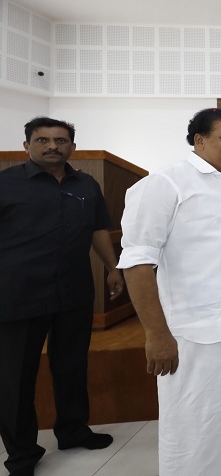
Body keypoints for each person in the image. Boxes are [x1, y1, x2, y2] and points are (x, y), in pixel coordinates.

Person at [117, 108, 221, 476]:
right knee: (199, 427)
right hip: (197, 334)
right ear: (200, 140)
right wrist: (156, 334)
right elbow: (136, 261)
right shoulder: (167, 183)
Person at [0, 117, 123, 476]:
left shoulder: (86, 184)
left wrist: (112, 268)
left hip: (73, 291)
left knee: (71, 366)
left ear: (71, 146)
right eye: (42, 140)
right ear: (26, 146)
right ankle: (21, 453)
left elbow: (98, 229)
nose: (52, 146)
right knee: (15, 378)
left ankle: (72, 430)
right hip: (17, 295)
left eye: (60, 140)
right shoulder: (5, 184)